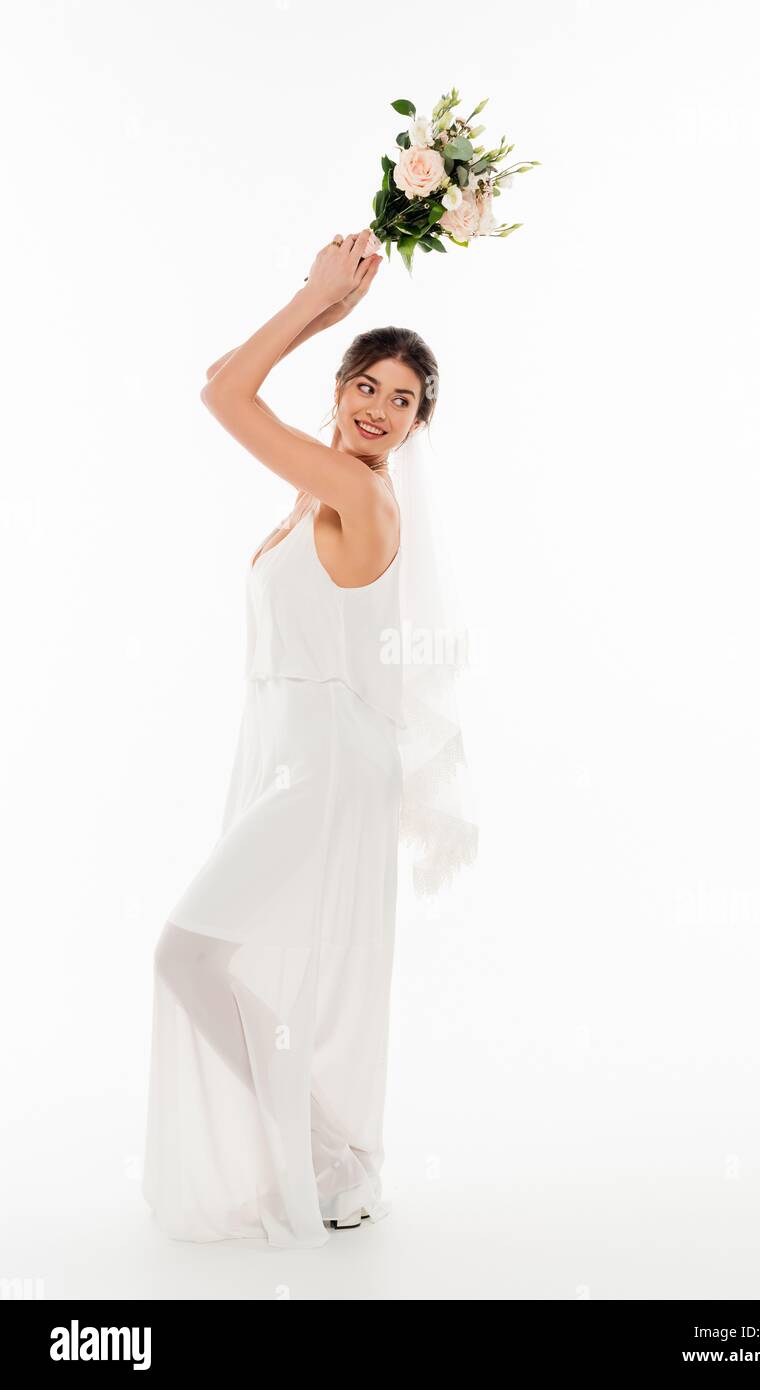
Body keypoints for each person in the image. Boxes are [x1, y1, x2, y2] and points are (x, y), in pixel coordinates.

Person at [141, 230, 469, 1248]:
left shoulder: (359, 492)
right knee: (215, 957)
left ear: (415, 432)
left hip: (326, 760)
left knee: (189, 952)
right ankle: (332, 1147)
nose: (378, 407)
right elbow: (218, 378)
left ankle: (327, 1145)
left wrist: (311, 294)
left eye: (402, 400)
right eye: (365, 384)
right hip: (300, 749)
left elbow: (224, 396)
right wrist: (321, 307)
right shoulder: (316, 482)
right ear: (339, 386)